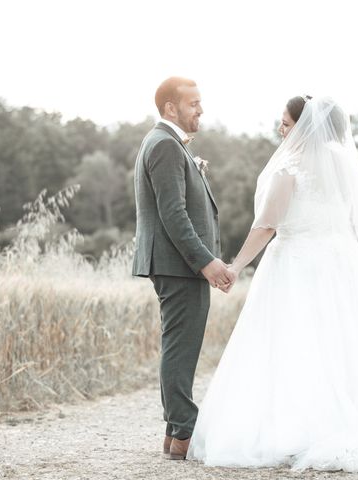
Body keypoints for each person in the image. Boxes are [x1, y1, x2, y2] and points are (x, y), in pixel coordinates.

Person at [187, 96, 358, 472]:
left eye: (286, 123)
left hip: (296, 265)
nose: (281, 130)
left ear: (305, 127)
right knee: (341, 345)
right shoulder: (344, 164)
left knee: (293, 345)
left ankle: (298, 429)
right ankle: (349, 421)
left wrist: (235, 266)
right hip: (341, 264)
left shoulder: (290, 167)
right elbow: (353, 221)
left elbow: (267, 226)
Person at [132, 76, 235, 461]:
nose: (201, 110)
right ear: (170, 107)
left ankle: (175, 433)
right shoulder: (164, 145)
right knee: (180, 345)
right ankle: (185, 430)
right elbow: (173, 214)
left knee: (180, 343)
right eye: (193, 103)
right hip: (178, 265)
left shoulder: (167, 143)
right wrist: (207, 262)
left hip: (177, 264)